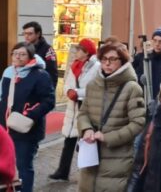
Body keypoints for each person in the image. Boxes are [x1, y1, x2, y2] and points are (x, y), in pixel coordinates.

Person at [77, 43, 146, 192]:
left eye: (113, 59)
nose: (107, 63)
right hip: (91, 154)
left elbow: (138, 123)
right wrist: (86, 129)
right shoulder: (93, 85)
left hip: (118, 157)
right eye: (104, 59)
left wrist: (109, 137)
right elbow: (83, 113)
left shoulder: (132, 88)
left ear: (122, 61)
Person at [0, 42, 55, 192]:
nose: (17, 56)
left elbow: (49, 101)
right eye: (15, 53)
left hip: (27, 129)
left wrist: (30, 114)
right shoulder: (8, 72)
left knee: (24, 166)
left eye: (22, 54)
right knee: (5, 164)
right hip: (5, 127)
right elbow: (2, 97)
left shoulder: (40, 75)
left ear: (30, 56)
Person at [49, 39, 99, 181]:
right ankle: (63, 170)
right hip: (73, 107)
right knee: (69, 140)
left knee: (85, 142)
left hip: (87, 108)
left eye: (78, 49)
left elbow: (95, 88)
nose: (75, 52)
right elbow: (67, 84)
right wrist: (69, 91)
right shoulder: (74, 66)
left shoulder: (96, 67)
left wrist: (78, 92)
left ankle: (87, 173)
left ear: (86, 52)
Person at [22, 21, 58, 88]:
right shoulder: (23, 49)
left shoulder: (48, 50)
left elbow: (52, 74)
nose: (26, 36)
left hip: (41, 89)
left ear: (38, 34)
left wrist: (49, 93)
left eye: (30, 34)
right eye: (24, 33)